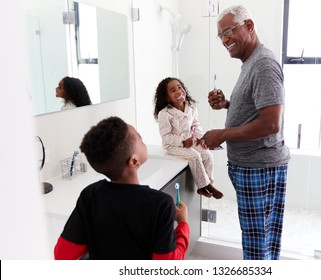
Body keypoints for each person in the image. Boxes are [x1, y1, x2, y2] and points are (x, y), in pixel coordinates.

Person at [202, 5, 290, 260]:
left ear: (249, 26)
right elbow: (258, 109)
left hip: (259, 167)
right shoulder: (251, 62)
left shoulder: (263, 63)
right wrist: (228, 104)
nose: (224, 40)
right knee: (261, 240)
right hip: (255, 166)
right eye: (220, 36)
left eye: (228, 31)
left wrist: (223, 134)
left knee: (256, 244)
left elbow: (271, 124)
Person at [54, 116, 190, 260]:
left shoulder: (90, 195)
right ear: (134, 161)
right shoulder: (161, 204)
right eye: (140, 138)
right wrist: (183, 224)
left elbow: (62, 254)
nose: (143, 140)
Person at [153, 77, 223, 199]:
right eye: (173, 90)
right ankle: (203, 186)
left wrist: (201, 139)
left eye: (180, 87)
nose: (179, 91)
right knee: (194, 156)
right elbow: (166, 137)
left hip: (190, 140)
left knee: (207, 155)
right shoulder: (164, 114)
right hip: (173, 145)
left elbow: (196, 124)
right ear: (167, 97)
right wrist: (182, 142)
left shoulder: (191, 105)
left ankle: (209, 183)